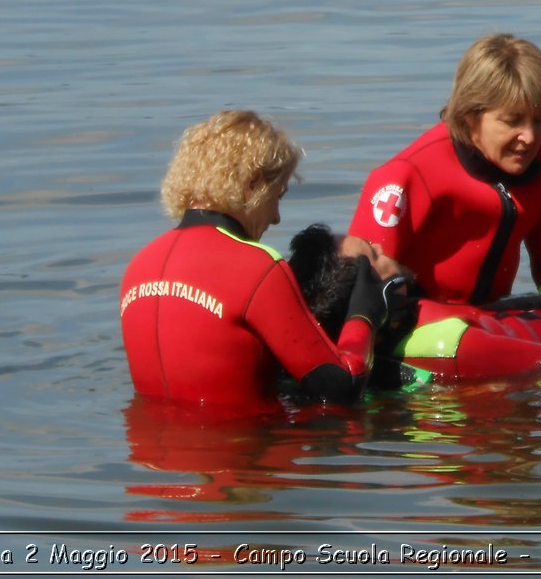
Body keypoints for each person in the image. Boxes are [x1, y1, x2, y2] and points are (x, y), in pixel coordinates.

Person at [119, 110, 388, 408]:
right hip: (242, 451)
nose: (275, 217)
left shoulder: (139, 264)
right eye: (278, 196)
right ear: (252, 185)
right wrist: (364, 313)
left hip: (146, 453)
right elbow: (341, 388)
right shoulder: (257, 266)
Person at [289, 223, 541, 386]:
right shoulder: (448, 346)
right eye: (373, 254)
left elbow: (478, 314)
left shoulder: (405, 318)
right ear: (372, 292)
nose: (381, 245)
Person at [346, 33, 541, 306]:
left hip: (493, 321)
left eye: (539, 121)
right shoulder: (406, 177)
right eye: (512, 121)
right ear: (470, 116)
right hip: (416, 324)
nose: (529, 137)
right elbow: (362, 285)